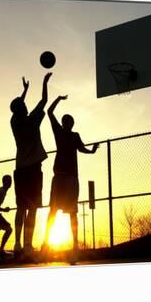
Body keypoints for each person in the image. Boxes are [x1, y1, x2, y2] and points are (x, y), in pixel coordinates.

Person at [41, 95, 99, 256]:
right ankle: (46, 243)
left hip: (71, 178)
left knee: (72, 212)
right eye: (64, 121)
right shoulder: (58, 132)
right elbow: (49, 111)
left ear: (72, 124)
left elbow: (81, 148)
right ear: (63, 123)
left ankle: (75, 245)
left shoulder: (75, 136)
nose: (66, 123)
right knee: (53, 210)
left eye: (68, 121)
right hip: (59, 177)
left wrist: (92, 151)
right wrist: (58, 99)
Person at [10, 72, 52, 258]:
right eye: (24, 104)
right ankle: (28, 245)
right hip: (33, 170)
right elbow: (44, 99)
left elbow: (17, 105)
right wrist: (44, 82)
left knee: (21, 207)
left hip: (20, 169)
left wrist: (24, 91)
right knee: (33, 208)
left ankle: (18, 243)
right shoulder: (33, 119)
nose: (26, 104)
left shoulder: (14, 121)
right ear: (23, 109)